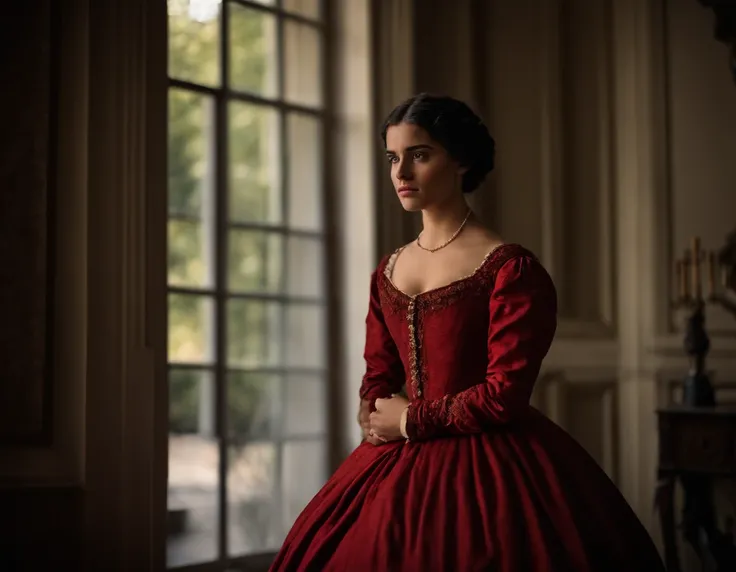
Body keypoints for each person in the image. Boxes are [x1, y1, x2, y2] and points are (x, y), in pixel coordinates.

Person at [269, 93, 665, 571]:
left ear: (461, 161)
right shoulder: (389, 268)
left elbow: (504, 394)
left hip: (491, 462)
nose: (401, 174)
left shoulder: (509, 268)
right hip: (391, 460)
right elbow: (379, 371)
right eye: (393, 158)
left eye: (419, 155)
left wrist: (412, 421)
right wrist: (375, 415)